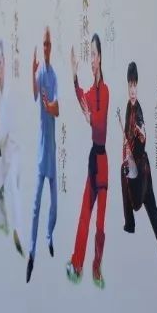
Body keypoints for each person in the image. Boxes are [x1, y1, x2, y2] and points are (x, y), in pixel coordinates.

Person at [121, 61, 157, 288]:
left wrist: (142, 137)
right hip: (138, 166)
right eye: (130, 85)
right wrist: (126, 150)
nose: (133, 90)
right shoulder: (127, 107)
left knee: (151, 214)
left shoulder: (139, 111)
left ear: (138, 86)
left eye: (135, 85)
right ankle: (130, 224)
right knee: (123, 171)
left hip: (143, 172)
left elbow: (142, 134)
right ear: (127, 86)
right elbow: (126, 134)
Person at [65, 34, 110, 288]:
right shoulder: (92, 91)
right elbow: (82, 97)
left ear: (100, 57)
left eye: (94, 54)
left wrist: (89, 115)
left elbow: (99, 122)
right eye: (89, 55)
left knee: (100, 225)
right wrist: (73, 75)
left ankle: (96, 267)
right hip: (94, 158)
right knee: (84, 215)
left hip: (103, 163)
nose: (91, 59)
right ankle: (77, 264)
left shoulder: (105, 91)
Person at [26, 28, 60, 283]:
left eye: (49, 43)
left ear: (52, 46)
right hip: (41, 150)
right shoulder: (39, 73)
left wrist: (50, 106)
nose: (46, 47)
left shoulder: (54, 75)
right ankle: (31, 251)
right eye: (44, 43)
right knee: (36, 205)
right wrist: (31, 71)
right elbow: (35, 94)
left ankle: (49, 236)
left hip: (52, 150)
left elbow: (56, 108)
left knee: (54, 203)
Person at [0, 41, 24, 256]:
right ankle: (2, 224)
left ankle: (18, 232)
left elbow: (1, 133)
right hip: (3, 153)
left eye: (0, 64)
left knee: (13, 188)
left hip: (14, 153)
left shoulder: (8, 94)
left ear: (6, 64)